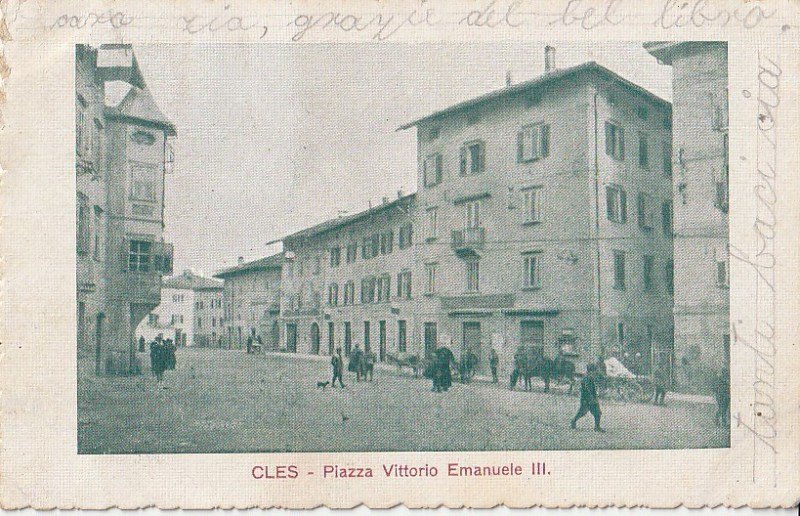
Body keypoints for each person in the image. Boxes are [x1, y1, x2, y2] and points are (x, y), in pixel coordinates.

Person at [571, 363, 604, 432]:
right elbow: (587, 389)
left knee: (596, 413)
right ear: (591, 371)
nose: (596, 372)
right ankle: (574, 421)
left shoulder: (590, 377)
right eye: (595, 370)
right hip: (587, 399)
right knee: (583, 412)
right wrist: (591, 398)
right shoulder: (586, 378)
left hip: (590, 399)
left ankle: (597, 427)